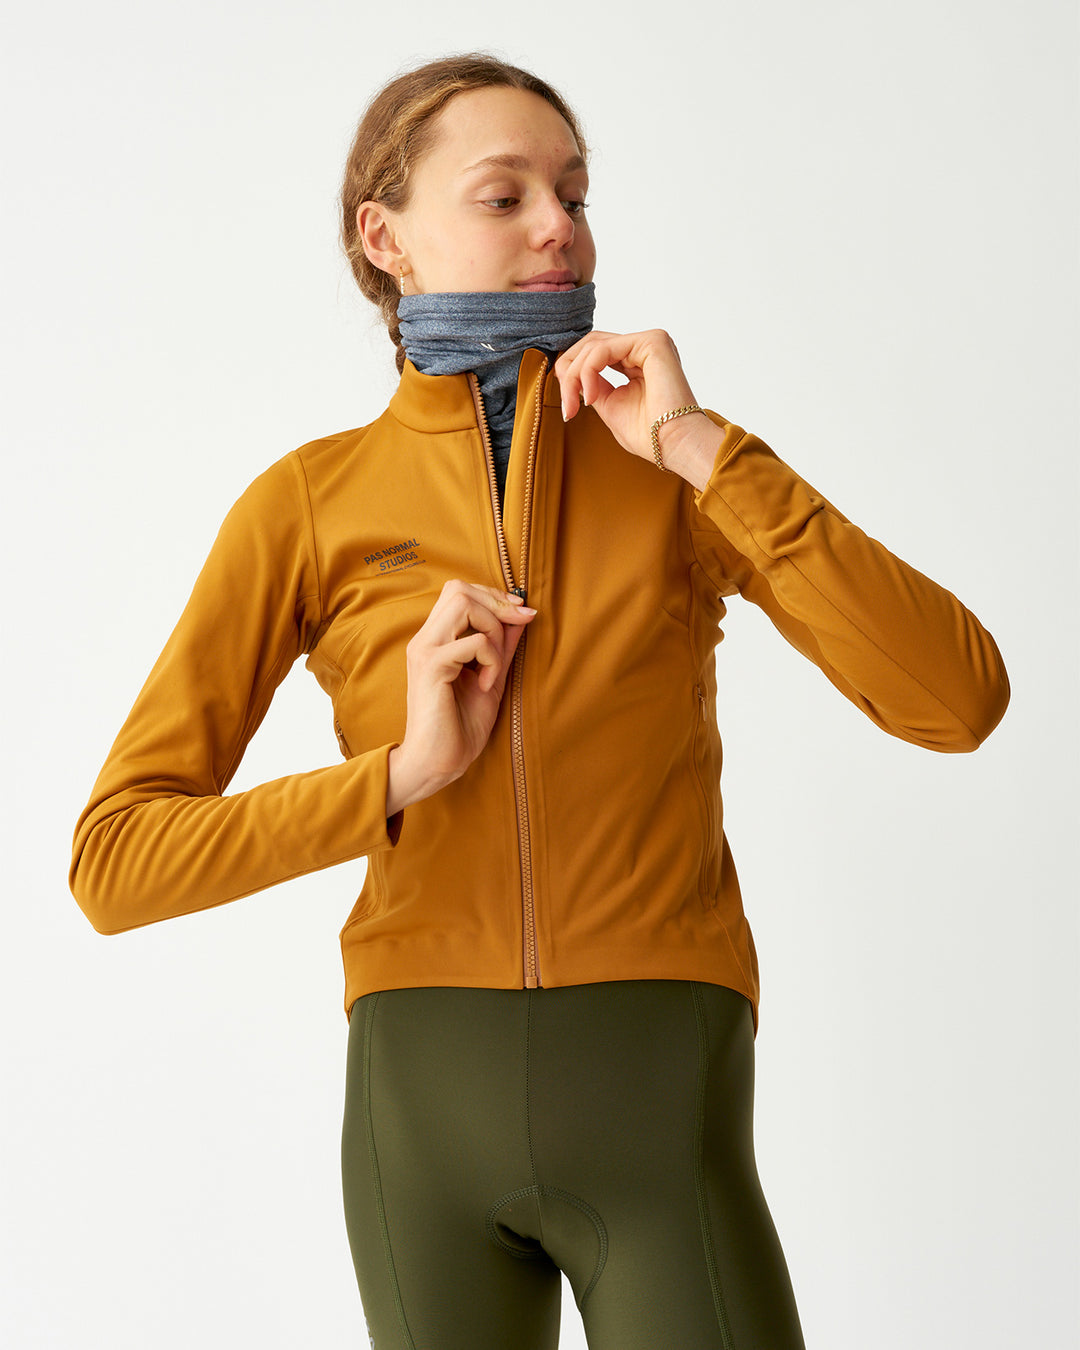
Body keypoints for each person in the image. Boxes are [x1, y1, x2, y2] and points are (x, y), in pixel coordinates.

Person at [70, 52, 1010, 1350]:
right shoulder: (307, 505)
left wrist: (701, 449)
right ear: (384, 237)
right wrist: (397, 777)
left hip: (660, 1086)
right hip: (418, 1108)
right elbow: (114, 862)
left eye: (573, 193)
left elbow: (957, 699)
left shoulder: (679, 478)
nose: (559, 225)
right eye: (504, 195)